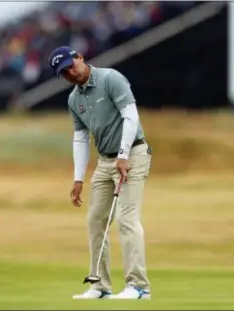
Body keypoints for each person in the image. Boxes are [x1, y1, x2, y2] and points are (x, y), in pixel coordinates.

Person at [48, 46, 152, 300]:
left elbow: (131, 117)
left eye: (71, 66)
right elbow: (81, 139)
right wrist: (78, 178)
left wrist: (124, 155)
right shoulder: (75, 99)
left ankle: (139, 287)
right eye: (64, 73)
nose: (70, 73)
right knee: (96, 221)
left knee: (126, 218)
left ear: (80, 58)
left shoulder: (110, 79)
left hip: (133, 155)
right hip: (106, 162)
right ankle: (100, 286)